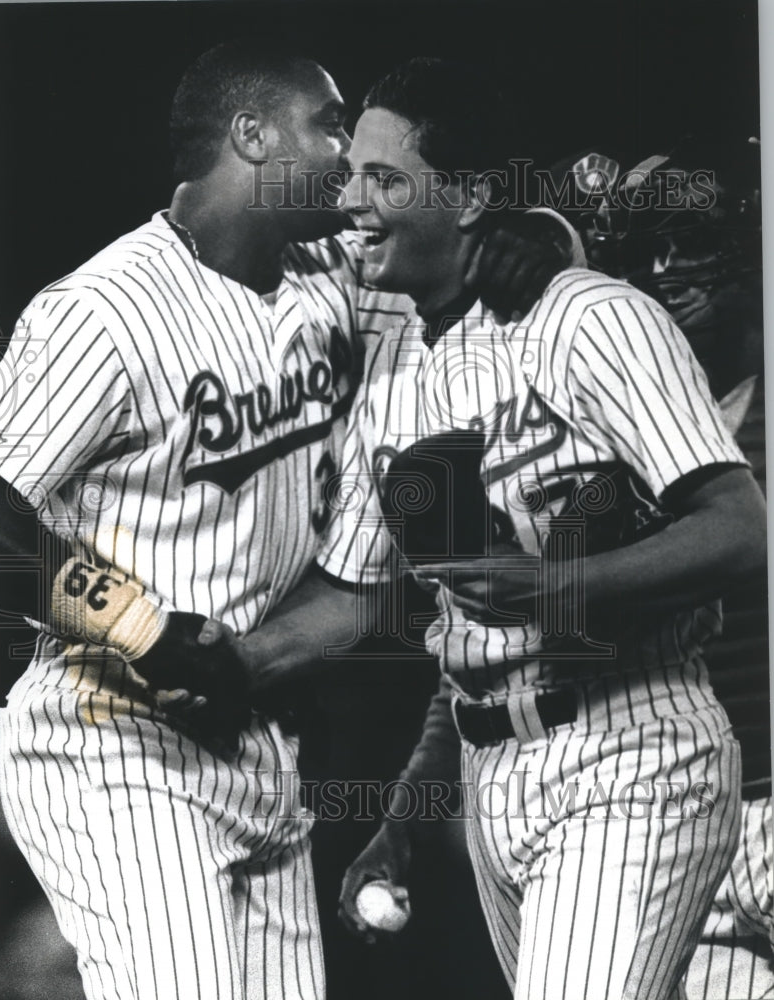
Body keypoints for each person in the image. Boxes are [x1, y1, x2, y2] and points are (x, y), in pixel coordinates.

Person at [251, 58, 767, 1000]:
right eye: (352, 176)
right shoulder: (401, 370)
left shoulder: (589, 319)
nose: (352, 202)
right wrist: (201, 660)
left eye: (385, 179)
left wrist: (554, 588)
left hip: (634, 743)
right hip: (498, 771)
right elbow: (365, 605)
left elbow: (740, 533)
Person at [0, 42, 420, 1000]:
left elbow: (467, 254)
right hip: (109, 734)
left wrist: (547, 231)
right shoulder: (108, 309)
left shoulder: (333, 278)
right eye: (327, 123)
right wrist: (137, 624)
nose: (345, 150)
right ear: (249, 135)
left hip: (256, 735)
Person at [556, 141, 772, 999]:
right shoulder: (603, 446)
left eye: (690, 242)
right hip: (688, 819)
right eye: (645, 250)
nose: (665, 270)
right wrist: (408, 805)